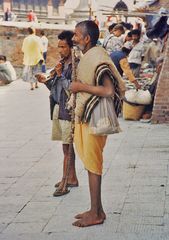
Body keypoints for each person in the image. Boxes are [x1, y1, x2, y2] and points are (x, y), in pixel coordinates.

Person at [70, 20, 125, 227]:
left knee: (94, 165)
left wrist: (79, 86)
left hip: (96, 116)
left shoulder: (98, 57)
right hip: (88, 115)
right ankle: (96, 209)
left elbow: (108, 91)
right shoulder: (89, 55)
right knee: (92, 164)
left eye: (76, 35)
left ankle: (96, 213)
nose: (74, 38)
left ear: (87, 38)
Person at [36, 31, 79, 197]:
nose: (60, 50)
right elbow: (56, 89)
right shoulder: (62, 63)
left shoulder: (76, 64)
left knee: (67, 147)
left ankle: (65, 180)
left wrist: (60, 75)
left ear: (71, 47)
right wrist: (46, 80)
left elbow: (72, 88)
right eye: (59, 46)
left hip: (68, 110)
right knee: (65, 147)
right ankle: (71, 177)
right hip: (58, 108)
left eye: (63, 46)